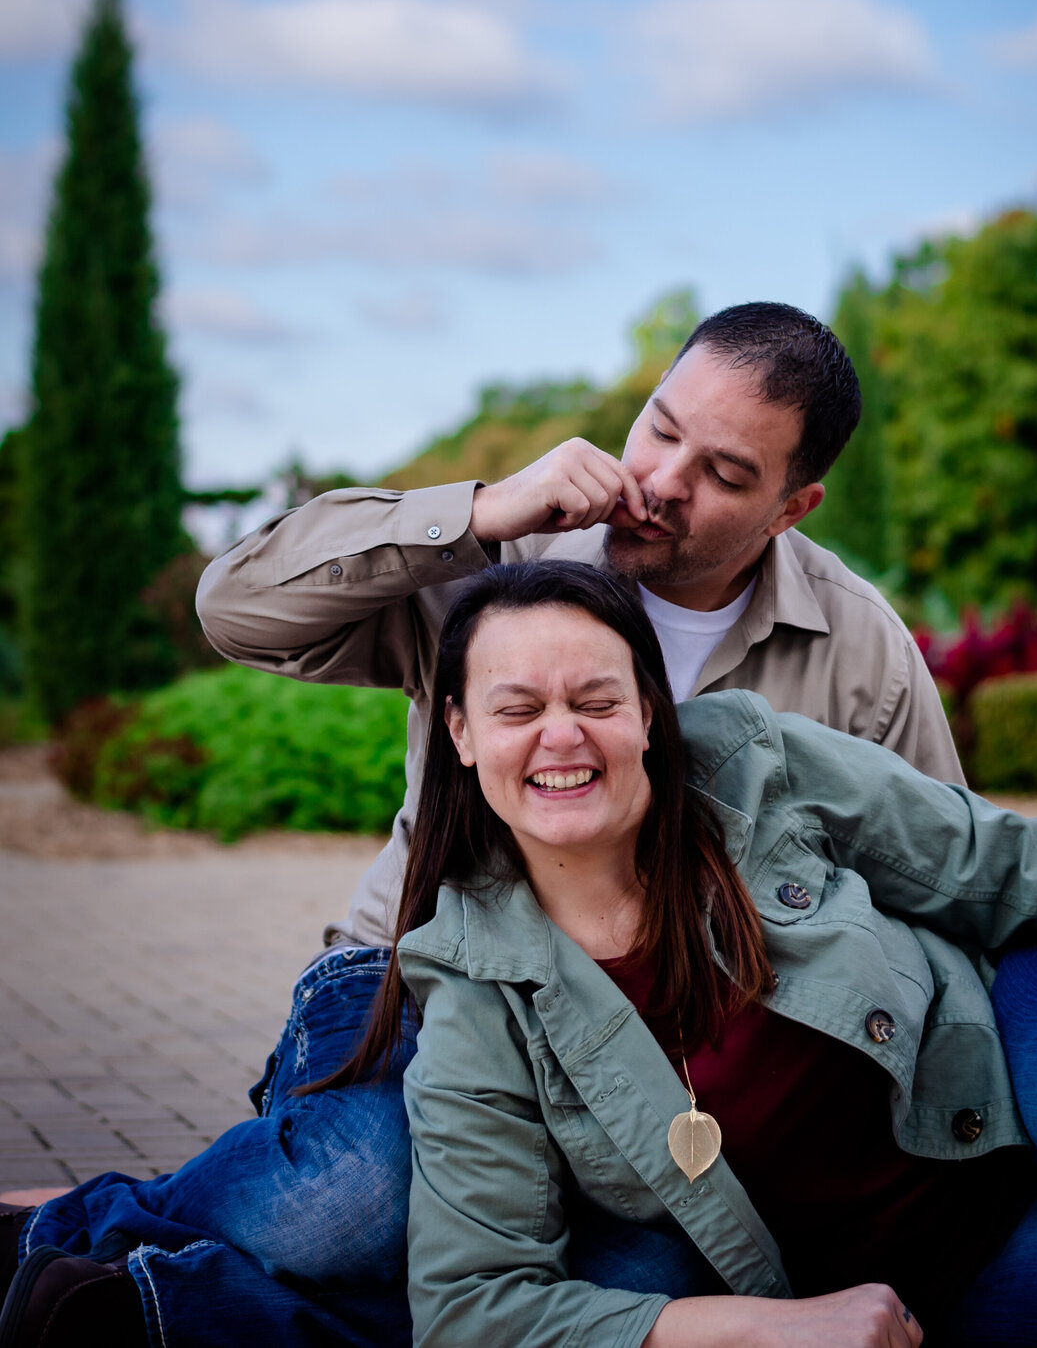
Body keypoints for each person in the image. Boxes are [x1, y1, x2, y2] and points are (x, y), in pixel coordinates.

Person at [5, 304, 965, 1345]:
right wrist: (481, 510)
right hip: (412, 980)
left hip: (652, 1060)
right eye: (661, 427)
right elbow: (232, 608)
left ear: (793, 506)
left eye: (725, 475)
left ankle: (144, 1313)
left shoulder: (860, 649)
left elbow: (938, 882)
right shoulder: (505, 549)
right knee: (370, 1193)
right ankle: (60, 1234)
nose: (664, 479)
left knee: (629, 1271)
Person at [385, 562, 1037, 1346]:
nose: (562, 735)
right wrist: (771, 1331)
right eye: (518, 709)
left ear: (646, 712)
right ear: (459, 730)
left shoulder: (750, 765)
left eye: (597, 699)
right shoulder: (473, 976)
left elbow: (1006, 863)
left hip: (996, 1093)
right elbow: (471, 1307)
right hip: (943, 1285)